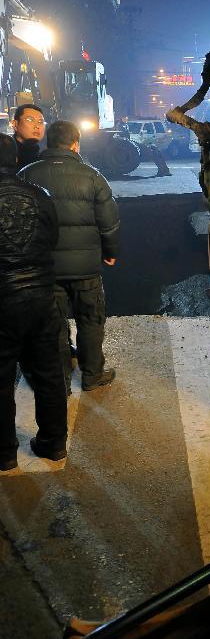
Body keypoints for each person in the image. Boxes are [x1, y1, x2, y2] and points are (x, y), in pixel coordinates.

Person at [20, 120, 120, 393]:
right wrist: (110, 252)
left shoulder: (27, 175)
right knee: (91, 320)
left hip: (46, 269)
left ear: (47, 143)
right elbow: (109, 222)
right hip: (86, 268)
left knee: (54, 325)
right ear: (76, 143)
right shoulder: (92, 176)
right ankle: (92, 375)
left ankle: (60, 380)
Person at [0, 134, 68, 469]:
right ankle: (53, 443)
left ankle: (4, 452)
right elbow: (51, 239)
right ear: (14, 160)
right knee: (49, 373)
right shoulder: (39, 195)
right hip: (41, 296)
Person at [11, 103, 46, 171]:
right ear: (15, 124)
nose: (37, 126)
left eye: (40, 121)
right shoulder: (5, 155)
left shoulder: (44, 157)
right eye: (30, 120)